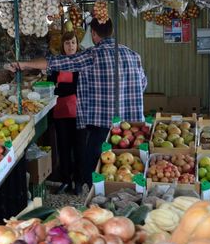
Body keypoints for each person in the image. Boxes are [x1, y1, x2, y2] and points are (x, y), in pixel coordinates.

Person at [9, 18, 147, 192]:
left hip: (101, 128)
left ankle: (97, 204)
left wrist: (24, 64)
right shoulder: (133, 55)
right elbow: (143, 84)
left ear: (94, 34)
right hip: (132, 129)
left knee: (97, 171)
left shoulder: (93, 55)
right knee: (130, 171)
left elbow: (56, 62)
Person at [47, 31, 81, 194]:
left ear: (77, 44)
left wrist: (59, 89)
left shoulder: (81, 63)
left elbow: (76, 87)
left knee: (78, 147)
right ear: (63, 46)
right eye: (67, 43)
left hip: (77, 111)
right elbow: (49, 85)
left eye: (73, 42)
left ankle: (78, 182)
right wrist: (59, 89)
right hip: (60, 112)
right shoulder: (57, 63)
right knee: (63, 147)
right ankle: (66, 180)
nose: (70, 46)